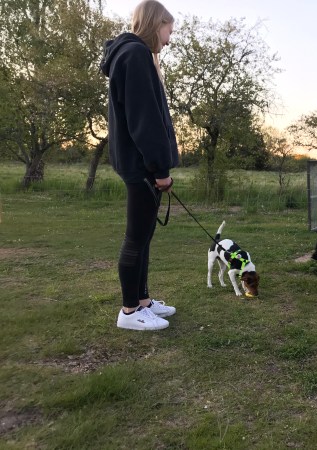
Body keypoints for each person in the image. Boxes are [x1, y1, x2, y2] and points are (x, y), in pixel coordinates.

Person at [101, 0, 179, 330]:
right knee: (136, 238)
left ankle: (143, 301)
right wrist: (160, 170)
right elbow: (145, 121)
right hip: (142, 167)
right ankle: (130, 312)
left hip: (140, 165)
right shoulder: (135, 56)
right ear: (155, 24)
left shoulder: (133, 55)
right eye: (168, 31)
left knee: (144, 236)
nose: (169, 40)